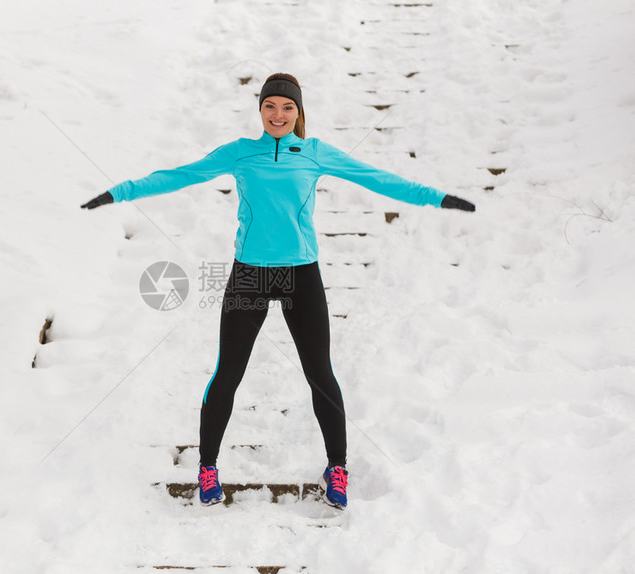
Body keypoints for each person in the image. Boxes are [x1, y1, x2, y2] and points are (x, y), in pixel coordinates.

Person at [81, 73, 475, 509]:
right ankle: (208, 467)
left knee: (319, 374)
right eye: (270, 106)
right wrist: (121, 192)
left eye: (287, 107)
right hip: (250, 274)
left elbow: (379, 179)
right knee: (228, 373)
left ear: (299, 112)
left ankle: (337, 467)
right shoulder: (241, 153)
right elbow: (179, 175)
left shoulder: (314, 153)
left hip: (300, 275)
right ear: (260, 110)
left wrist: (437, 198)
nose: (278, 114)